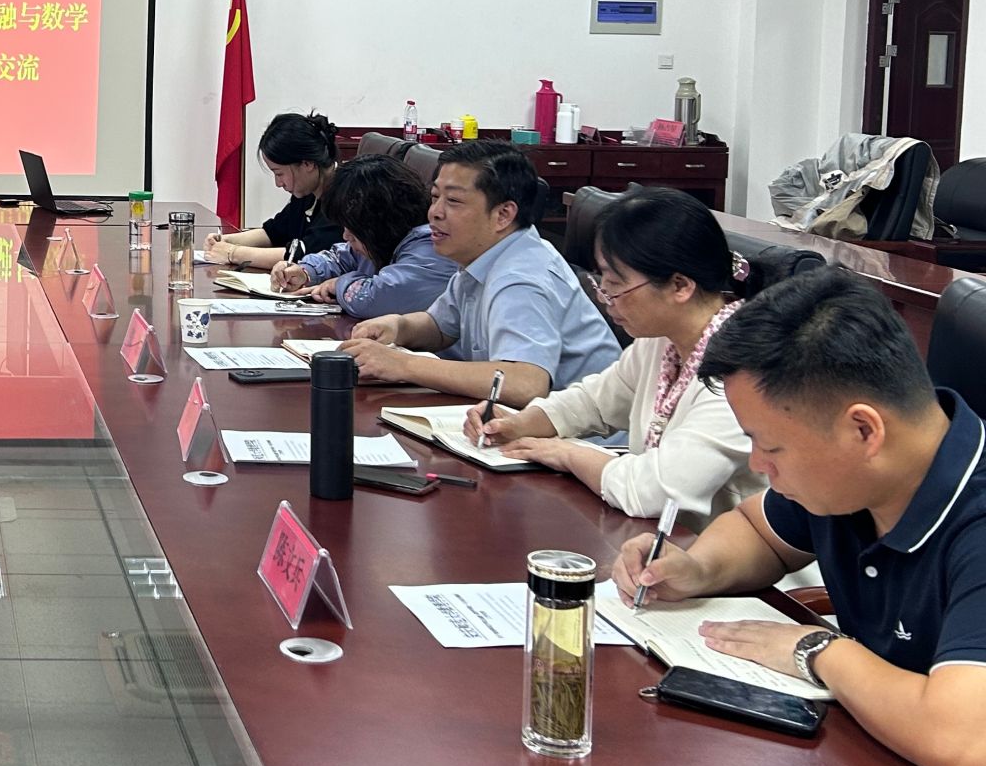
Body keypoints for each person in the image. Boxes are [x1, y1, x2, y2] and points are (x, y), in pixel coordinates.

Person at [613, 268, 986, 766]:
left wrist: (818, 650)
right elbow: (758, 531)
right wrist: (698, 568)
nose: (757, 464)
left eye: (771, 446)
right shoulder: (855, 479)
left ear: (864, 430)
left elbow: (964, 745)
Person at [466, 187, 766, 527]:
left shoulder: (740, 371)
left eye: (616, 283)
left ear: (680, 286)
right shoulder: (664, 340)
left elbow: (655, 492)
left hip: (720, 552)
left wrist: (566, 453)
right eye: (602, 279)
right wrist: (521, 423)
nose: (604, 296)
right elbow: (594, 402)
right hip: (663, 539)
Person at [342, 139, 618, 404]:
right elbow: (441, 326)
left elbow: (524, 383)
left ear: (503, 215)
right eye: (435, 197)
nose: (434, 212)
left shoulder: (522, 277)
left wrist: (404, 365)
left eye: (453, 201)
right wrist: (398, 326)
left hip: (586, 433)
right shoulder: (483, 257)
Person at [268, 154, 455, 317]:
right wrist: (305, 272)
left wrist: (338, 285)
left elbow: (381, 298)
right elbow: (340, 257)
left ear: (381, 222)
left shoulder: (431, 247)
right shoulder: (379, 241)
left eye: (352, 229)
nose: (345, 236)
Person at [204, 112, 342, 269]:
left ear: (307, 164)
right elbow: (273, 233)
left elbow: (303, 256)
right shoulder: (307, 191)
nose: (278, 183)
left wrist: (233, 253)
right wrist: (226, 240)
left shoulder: (343, 197)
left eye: (279, 173)